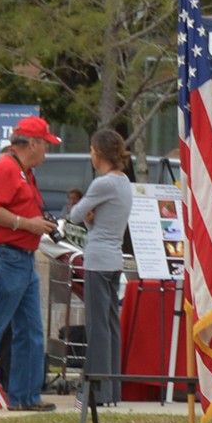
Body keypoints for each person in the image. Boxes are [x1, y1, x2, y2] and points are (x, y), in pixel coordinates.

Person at [0, 113, 57, 411]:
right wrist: (27, 224)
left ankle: (24, 396)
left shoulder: (21, 170)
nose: (47, 152)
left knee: (31, 330)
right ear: (32, 144)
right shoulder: (5, 168)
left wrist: (35, 225)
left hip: (21, 258)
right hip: (6, 257)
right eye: (45, 145)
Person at [73, 129, 135, 407]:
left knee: (97, 326)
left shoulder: (102, 184)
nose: (90, 155)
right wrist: (91, 217)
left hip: (97, 258)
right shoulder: (124, 183)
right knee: (110, 324)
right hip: (114, 258)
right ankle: (111, 390)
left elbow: (75, 214)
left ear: (99, 153)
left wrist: (87, 217)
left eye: (91, 150)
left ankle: (95, 390)